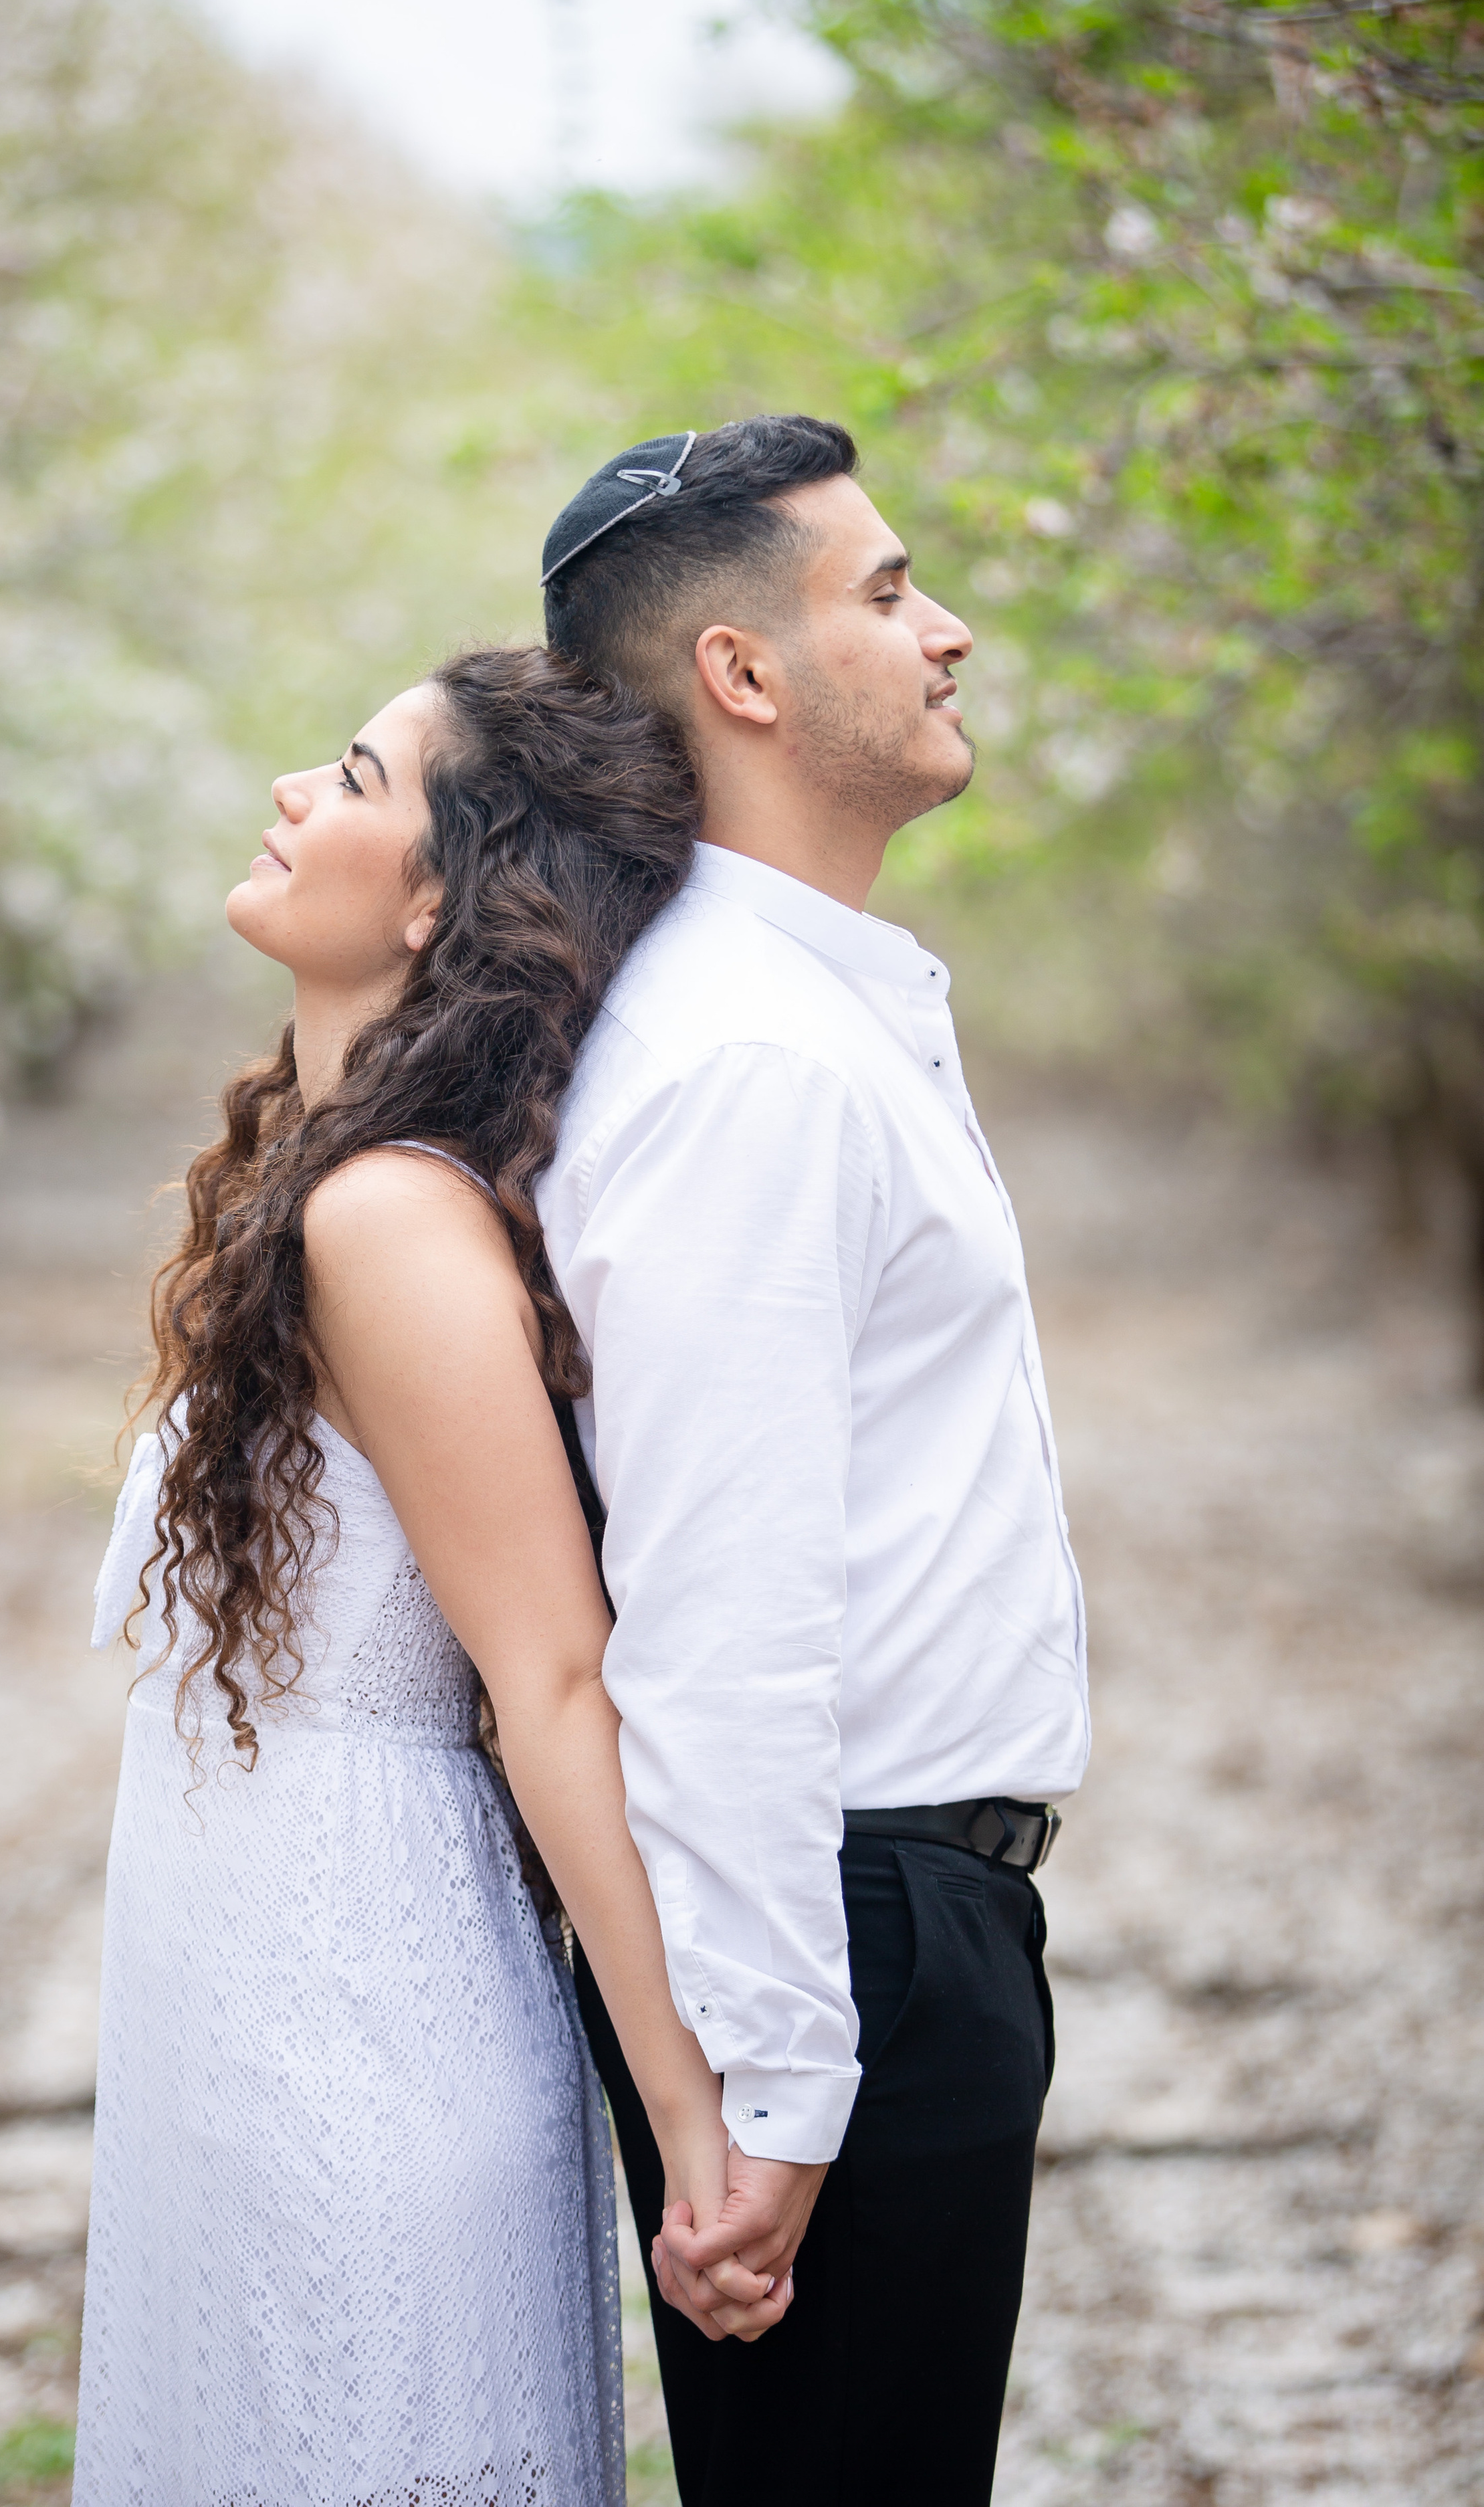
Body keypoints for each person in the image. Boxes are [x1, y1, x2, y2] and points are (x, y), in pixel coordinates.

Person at [72, 645, 790, 2507]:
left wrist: (697, 2123)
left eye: (357, 777)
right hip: (243, 2022)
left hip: (363, 2046)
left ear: (433, 900)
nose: (297, 793)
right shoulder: (317, 1183)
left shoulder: (390, 1218)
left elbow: (553, 1676)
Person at [536, 415, 1091, 2503]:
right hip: (844, 1927)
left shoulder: (808, 1013)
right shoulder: (746, 1058)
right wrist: (769, 2087)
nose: (946, 631)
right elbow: (724, 1609)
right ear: (742, 679)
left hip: (898, 1916)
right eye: (885, 590)